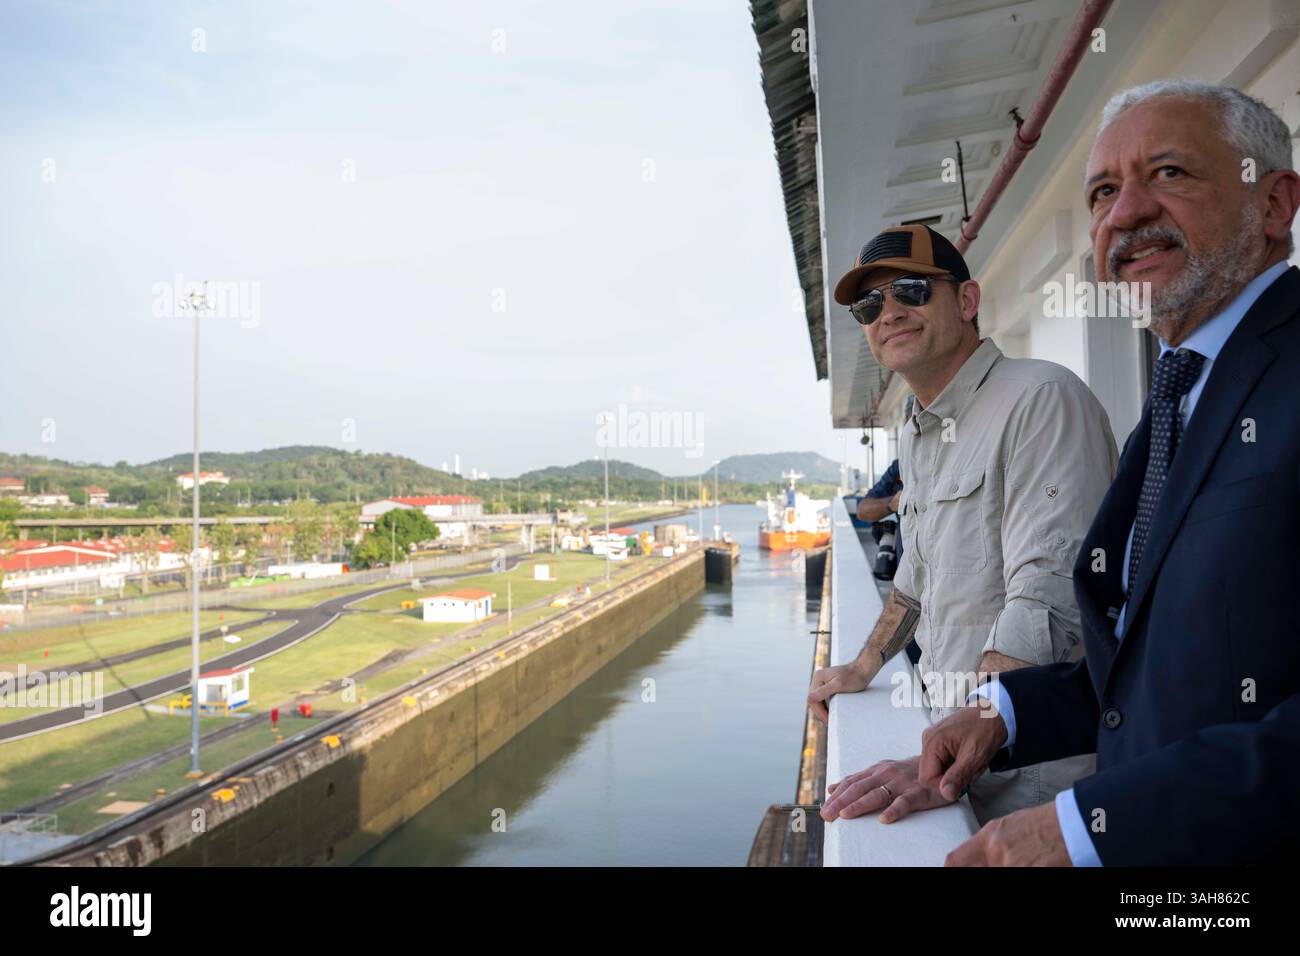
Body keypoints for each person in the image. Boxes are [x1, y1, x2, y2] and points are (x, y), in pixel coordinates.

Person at [913, 80, 1300, 865]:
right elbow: (1149, 675)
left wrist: (1090, 824)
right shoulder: (1169, 405)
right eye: (1101, 192)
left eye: (1169, 174)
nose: (1124, 215)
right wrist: (1003, 715)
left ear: (1274, 204)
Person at [809, 223, 1118, 823]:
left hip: (1029, 764)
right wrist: (863, 666)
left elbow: (1049, 588)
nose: (888, 312)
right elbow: (915, 579)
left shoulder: (1040, 397)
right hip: (954, 739)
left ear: (967, 301)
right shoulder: (919, 430)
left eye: (911, 290)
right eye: (869, 305)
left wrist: (980, 718)